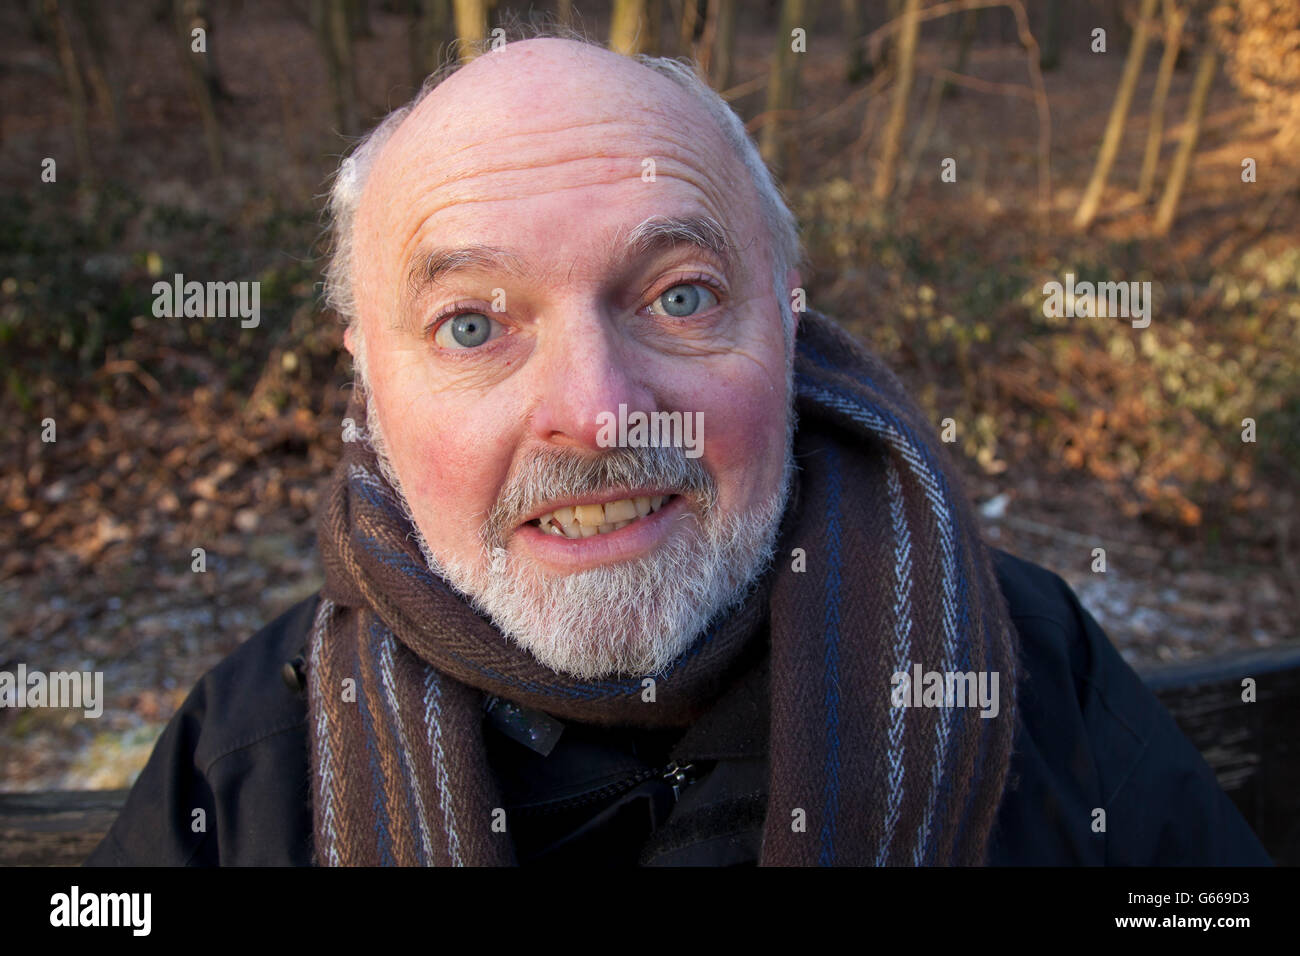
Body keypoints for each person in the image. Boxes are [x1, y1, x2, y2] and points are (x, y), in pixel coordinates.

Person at [87, 30, 1270, 867]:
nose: (599, 413)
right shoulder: (244, 760)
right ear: (369, 377)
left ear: (787, 317)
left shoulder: (1027, 664)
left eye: (682, 297)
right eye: (470, 324)